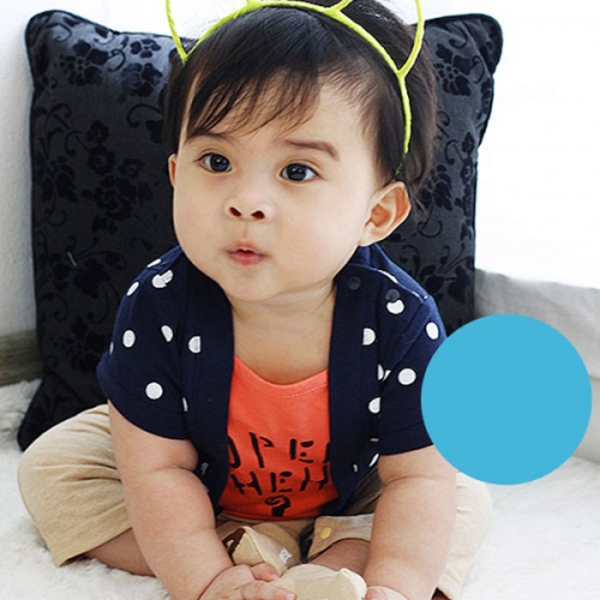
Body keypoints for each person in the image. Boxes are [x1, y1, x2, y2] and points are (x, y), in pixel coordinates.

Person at [18, 1, 492, 599]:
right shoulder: (160, 302)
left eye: (297, 171)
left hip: (352, 483)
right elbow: (158, 467)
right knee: (50, 466)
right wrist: (207, 581)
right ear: (175, 173)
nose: (246, 201)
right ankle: (241, 551)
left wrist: (396, 584)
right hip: (198, 480)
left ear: (376, 214)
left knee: (456, 493)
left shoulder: (401, 317)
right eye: (217, 161)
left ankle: (337, 556)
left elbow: (414, 478)